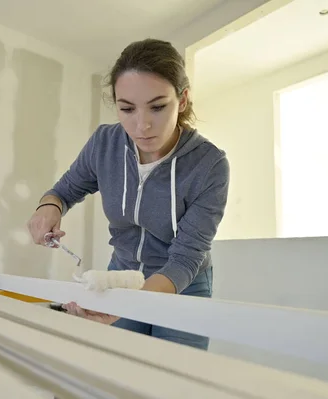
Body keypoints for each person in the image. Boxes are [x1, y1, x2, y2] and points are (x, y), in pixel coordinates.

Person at [27, 38, 229, 351]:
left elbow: (187, 256)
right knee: (116, 365)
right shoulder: (104, 144)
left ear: (184, 100)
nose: (142, 125)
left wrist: (133, 306)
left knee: (173, 376)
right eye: (127, 109)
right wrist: (48, 207)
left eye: (158, 106)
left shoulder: (209, 164)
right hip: (121, 276)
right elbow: (64, 191)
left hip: (184, 282)